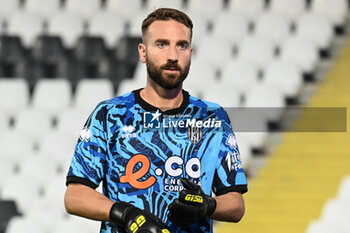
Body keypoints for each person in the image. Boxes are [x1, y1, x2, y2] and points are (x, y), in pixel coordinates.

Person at [64, 8, 248, 233]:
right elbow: (74, 196)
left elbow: (236, 205)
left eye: (181, 45)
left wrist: (208, 205)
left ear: (190, 52)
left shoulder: (212, 117)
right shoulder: (109, 114)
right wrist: (127, 214)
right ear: (143, 52)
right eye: (161, 44)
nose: (173, 56)